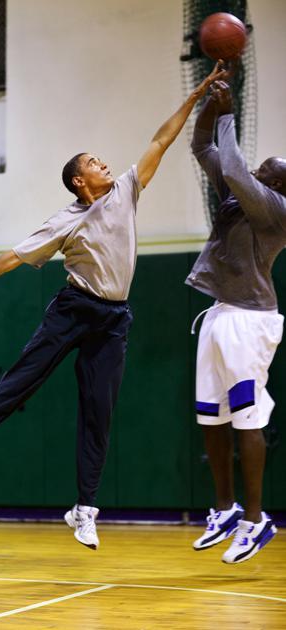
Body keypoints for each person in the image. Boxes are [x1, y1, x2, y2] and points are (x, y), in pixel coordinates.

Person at [0, 62, 225, 550]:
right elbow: (13, 256)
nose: (104, 162)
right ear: (77, 181)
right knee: (20, 380)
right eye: (93, 161)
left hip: (113, 320)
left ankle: (84, 509)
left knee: (98, 412)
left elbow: (160, 140)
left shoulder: (127, 191)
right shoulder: (65, 220)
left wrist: (196, 93)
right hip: (74, 309)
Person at [187, 78, 286, 563]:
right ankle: (225, 508)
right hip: (220, 313)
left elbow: (233, 167)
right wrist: (210, 109)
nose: (264, 167)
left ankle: (256, 517)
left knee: (246, 418)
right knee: (210, 415)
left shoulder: (275, 209)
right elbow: (202, 145)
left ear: (279, 185)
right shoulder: (237, 193)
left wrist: (228, 113)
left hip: (252, 321)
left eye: (272, 169)